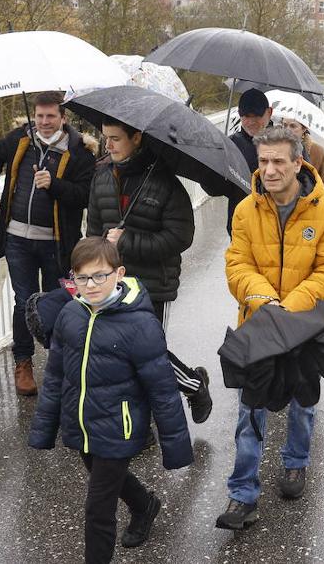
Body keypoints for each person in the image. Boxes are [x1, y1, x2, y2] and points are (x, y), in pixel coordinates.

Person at [216, 126, 324, 530]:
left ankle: (295, 463)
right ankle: (242, 494)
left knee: (302, 400)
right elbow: (237, 265)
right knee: (250, 408)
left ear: (298, 162)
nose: (270, 170)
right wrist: (263, 300)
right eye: (263, 162)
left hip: (305, 326)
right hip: (259, 323)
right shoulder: (245, 210)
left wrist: (290, 305)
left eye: (279, 161)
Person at [28, 237, 193, 564]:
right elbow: (56, 377)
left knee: (97, 509)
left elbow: (162, 390)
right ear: (72, 279)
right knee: (98, 470)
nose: (91, 285)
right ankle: (144, 504)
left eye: (100, 276)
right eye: (82, 277)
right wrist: (44, 428)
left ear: (119, 273)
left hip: (120, 425)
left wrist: (176, 447)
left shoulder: (140, 324)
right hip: (84, 423)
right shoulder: (70, 316)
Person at [86, 118, 213, 423]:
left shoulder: (164, 181)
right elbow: (93, 230)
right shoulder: (101, 176)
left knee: (148, 356)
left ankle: (193, 388)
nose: (109, 145)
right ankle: (139, 423)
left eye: (116, 138)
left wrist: (126, 241)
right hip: (110, 284)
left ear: (137, 137)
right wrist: (88, 271)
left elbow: (181, 237)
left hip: (152, 284)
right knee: (120, 353)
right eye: (106, 138)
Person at [0, 91, 95, 397]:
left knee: (59, 302)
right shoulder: (21, 140)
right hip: (17, 238)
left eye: (51, 116)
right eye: (40, 116)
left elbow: (85, 195)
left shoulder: (79, 150)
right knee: (23, 301)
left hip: (57, 242)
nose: (44, 122)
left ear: (63, 118)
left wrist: (54, 185)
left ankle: (61, 363)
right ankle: (23, 363)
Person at [227, 87, 272, 231]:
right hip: (241, 226)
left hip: (275, 226)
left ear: (269, 112)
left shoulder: (286, 144)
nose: (251, 122)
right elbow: (215, 189)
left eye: (257, 116)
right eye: (246, 116)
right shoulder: (230, 144)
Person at [278, 115, 324, 200]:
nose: (287, 130)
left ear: (304, 128)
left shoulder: (318, 152)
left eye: (293, 126)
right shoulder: (274, 151)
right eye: (284, 125)